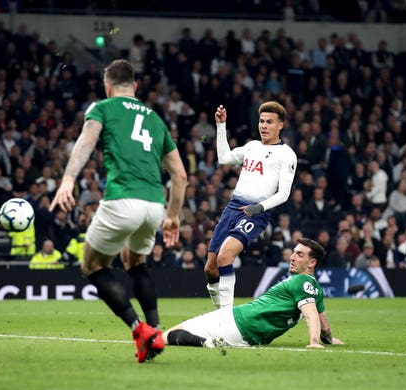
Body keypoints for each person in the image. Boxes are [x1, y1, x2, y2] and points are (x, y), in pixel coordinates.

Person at [49, 59, 187, 363]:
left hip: (122, 199)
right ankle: (156, 331)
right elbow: (180, 175)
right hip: (154, 205)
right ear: (135, 87)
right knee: (134, 261)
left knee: (93, 266)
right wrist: (173, 216)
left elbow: (86, 142)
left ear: (107, 86)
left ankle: (141, 330)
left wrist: (68, 180)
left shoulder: (103, 107)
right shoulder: (155, 118)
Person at [163, 238, 345, 349]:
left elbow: (310, 315)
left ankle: (205, 342)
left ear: (312, 263)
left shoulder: (300, 281)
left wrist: (314, 342)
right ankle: (208, 341)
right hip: (248, 338)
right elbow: (325, 328)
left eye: (299, 254)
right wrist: (329, 340)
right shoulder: (315, 290)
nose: (292, 257)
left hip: (235, 320)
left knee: (166, 336)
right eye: (293, 252)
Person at [205, 102, 297, 309]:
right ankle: (219, 310)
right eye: (262, 121)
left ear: (280, 125)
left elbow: (284, 193)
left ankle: (226, 319)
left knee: (225, 256)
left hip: (255, 212)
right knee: (210, 268)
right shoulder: (252, 146)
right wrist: (221, 126)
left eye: (269, 122)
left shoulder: (287, 154)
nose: (264, 126)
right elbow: (224, 159)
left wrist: (260, 208)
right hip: (233, 208)